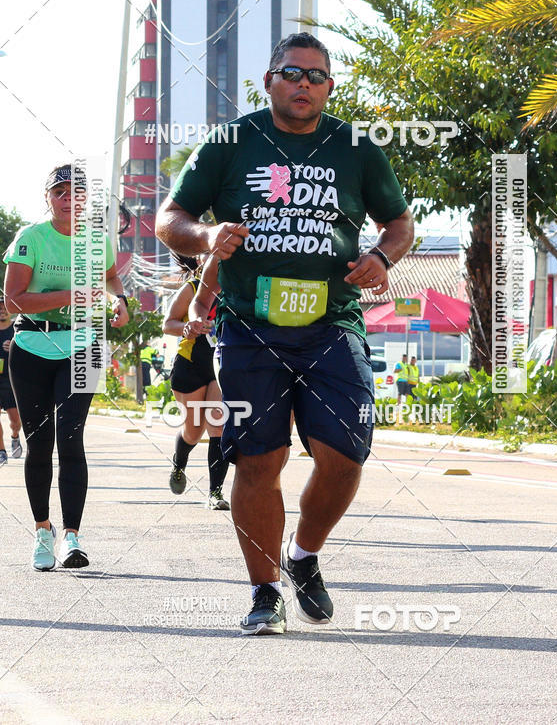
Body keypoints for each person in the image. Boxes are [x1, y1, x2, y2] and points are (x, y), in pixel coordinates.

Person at [156, 32, 413, 635]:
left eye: (316, 76)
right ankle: (265, 589)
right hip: (249, 327)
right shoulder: (230, 143)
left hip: (333, 324)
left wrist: (382, 256)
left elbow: (399, 223)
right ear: (270, 80)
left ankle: (303, 555)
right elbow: (170, 217)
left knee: (345, 455)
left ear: (329, 86)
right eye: (292, 73)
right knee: (259, 460)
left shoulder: (356, 147)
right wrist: (205, 236)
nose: (304, 84)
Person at [3, 164, 129, 571]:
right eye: (60, 192)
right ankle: (43, 531)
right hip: (32, 347)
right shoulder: (31, 238)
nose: (68, 199)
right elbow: (13, 301)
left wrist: (120, 301)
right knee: (40, 443)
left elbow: (111, 279)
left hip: (83, 345)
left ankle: (72, 536)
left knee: (71, 438)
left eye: (76, 192)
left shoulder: (97, 241)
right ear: (48, 197)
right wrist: (70, 295)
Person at [163, 253, 230, 510]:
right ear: (200, 261)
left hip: (220, 364)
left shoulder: (235, 288)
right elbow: (167, 324)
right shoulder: (191, 289)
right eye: (207, 255)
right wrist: (187, 327)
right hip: (190, 364)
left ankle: (215, 492)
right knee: (193, 430)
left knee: (218, 423)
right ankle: (179, 463)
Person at [0, 297, 22, 462]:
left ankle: (15, 436)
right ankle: (1, 451)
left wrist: (15, 346)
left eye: (4, 307)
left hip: (11, 381)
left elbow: (28, 350)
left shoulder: (17, 329)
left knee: (15, 421)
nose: (2, 310)